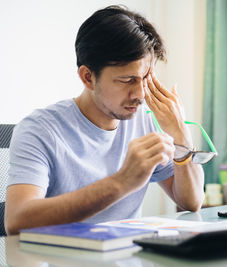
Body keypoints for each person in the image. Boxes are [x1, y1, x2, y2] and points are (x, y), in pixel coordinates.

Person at [5, 5, 204, 235]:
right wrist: (122, 182)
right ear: (88, 77)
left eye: (146, 78)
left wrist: (180, 133)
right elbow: (16, 221)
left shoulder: (145, 123)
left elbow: (192, 201)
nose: (140, 94)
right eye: (128, 79)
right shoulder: (39, 130)